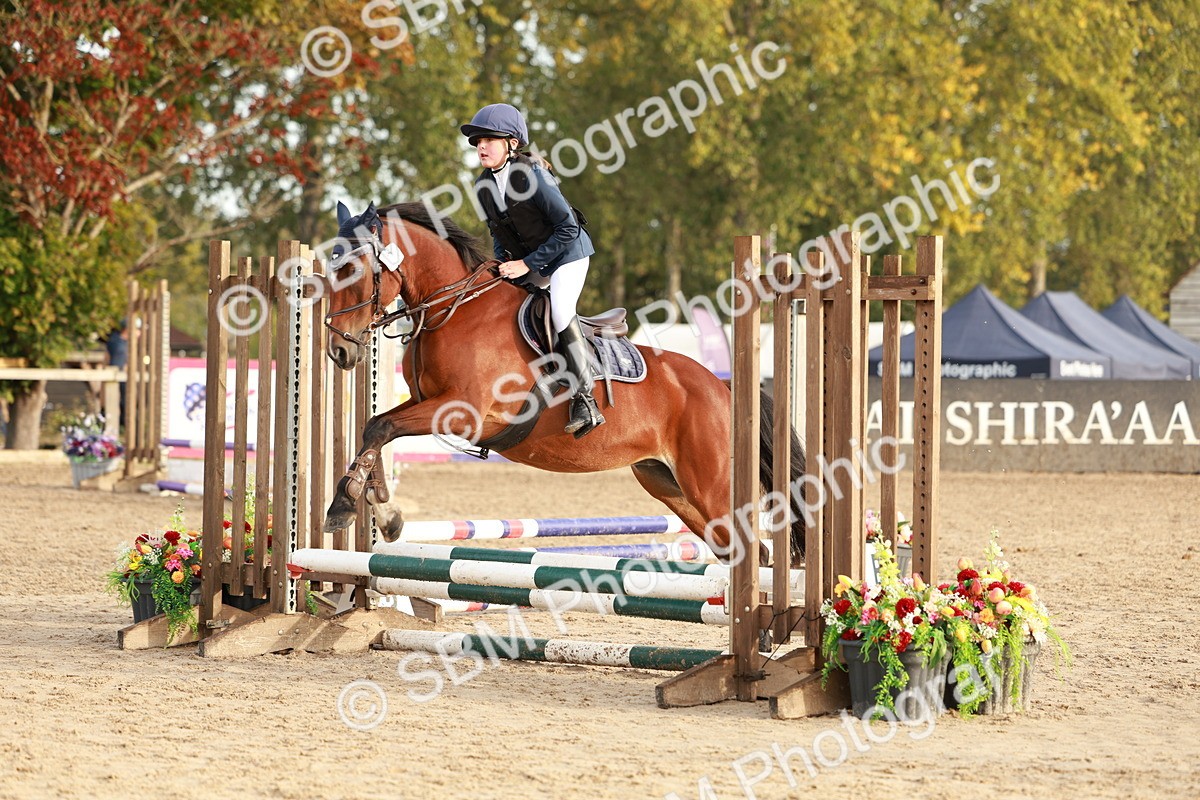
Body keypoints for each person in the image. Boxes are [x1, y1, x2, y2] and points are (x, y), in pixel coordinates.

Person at [460, 103, 605, 437]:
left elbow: (567, 229)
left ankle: (586, 401)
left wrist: (525, 264)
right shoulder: (483, 186)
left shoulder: (532, 175)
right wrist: (499, 267)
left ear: (512, 143)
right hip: (534, 259)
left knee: (559, 310)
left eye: (489, 139)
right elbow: (500, 235)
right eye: (478, 140)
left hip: (568, 254)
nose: (481, 145)